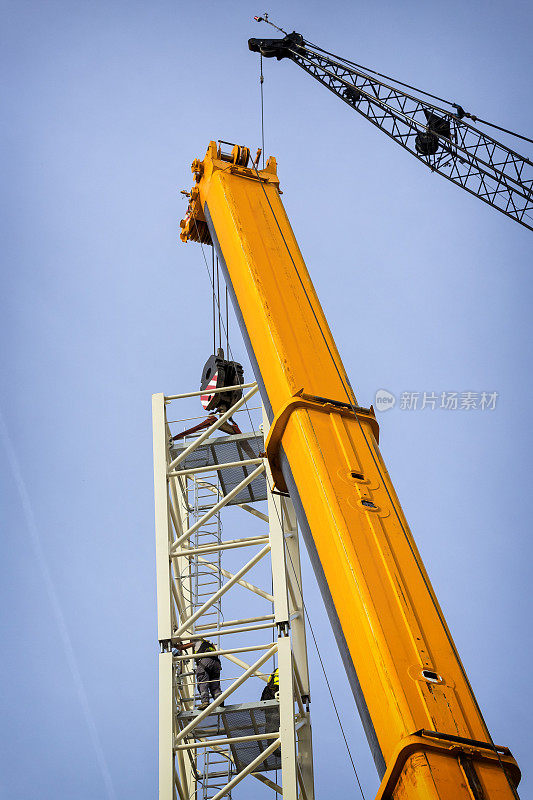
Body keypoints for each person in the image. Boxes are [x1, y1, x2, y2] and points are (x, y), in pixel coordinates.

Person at [173, 639, 223, 711]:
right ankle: (219, 700)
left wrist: (173, 644)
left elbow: (182, 647)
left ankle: (205, 702)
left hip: (205, 662)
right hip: (216, 664)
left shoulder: (197, 641)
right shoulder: (210, 644)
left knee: (202, 682)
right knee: (215, 685)